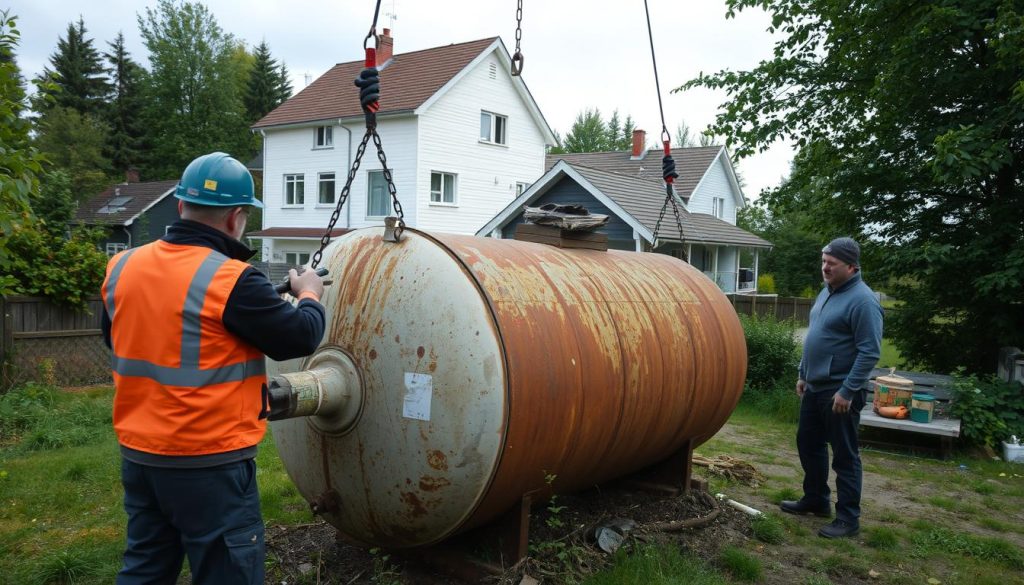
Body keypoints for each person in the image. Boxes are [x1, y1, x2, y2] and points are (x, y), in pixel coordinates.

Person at [101, 152, 327, 584]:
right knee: (228, 572)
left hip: (141, 454)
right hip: (209, 461)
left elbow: (120, 338)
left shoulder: (122, 266)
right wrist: (310, 293)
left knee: (146, 567)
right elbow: (300, 336)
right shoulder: (234, 280)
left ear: (182, 206)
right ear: (236, 218)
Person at [782, 237, 883, 539]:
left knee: (845, 455)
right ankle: (816, 499)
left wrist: (848, 391)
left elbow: (870, 352)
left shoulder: (864, 301)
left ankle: (848, 518)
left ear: (851, 266)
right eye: (823, 260)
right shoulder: (826, 292)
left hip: (840, 392)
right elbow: (816, 336)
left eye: (832, 263)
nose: (824, 267)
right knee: (809, 445)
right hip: (815, 386)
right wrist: (803, 373)